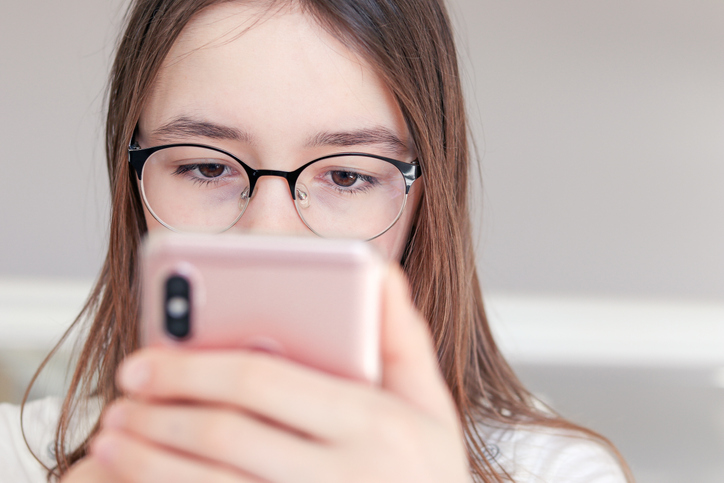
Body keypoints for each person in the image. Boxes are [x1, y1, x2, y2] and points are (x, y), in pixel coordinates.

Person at [1, 0, 632, 482]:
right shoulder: (19, 457)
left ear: (423, 202)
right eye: (206, 167)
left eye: (349, 175)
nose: (269, 232)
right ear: (130, 174)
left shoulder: (558, 471)